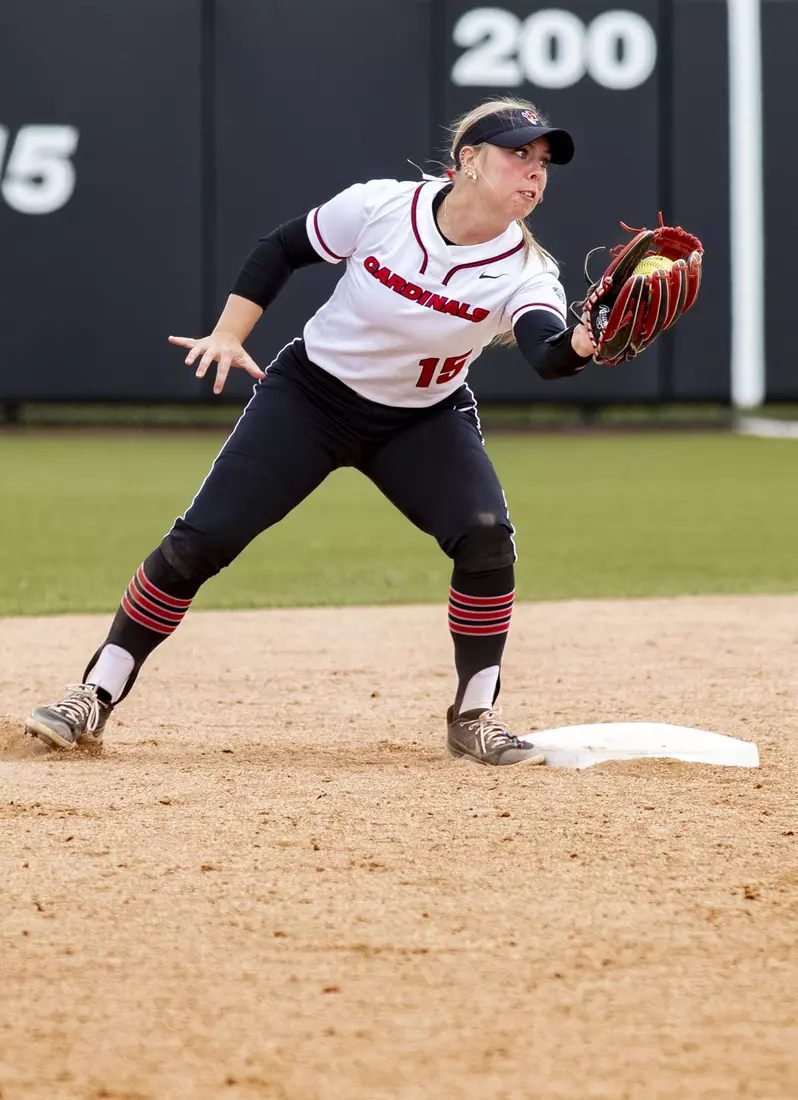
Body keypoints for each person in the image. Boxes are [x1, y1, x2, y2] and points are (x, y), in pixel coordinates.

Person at [25, 96, 596, 767]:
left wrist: (585, 342)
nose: (534, 171)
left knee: (487, 537)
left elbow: (547, 355)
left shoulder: (528, 272)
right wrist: (229, 334)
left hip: (422, 417)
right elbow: (283, 247)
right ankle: (94, 693)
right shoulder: (384, 208)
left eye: (543, 162)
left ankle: (475, 713)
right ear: (468, 161)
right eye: (518, 154)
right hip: (312, 397)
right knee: (198, 542)